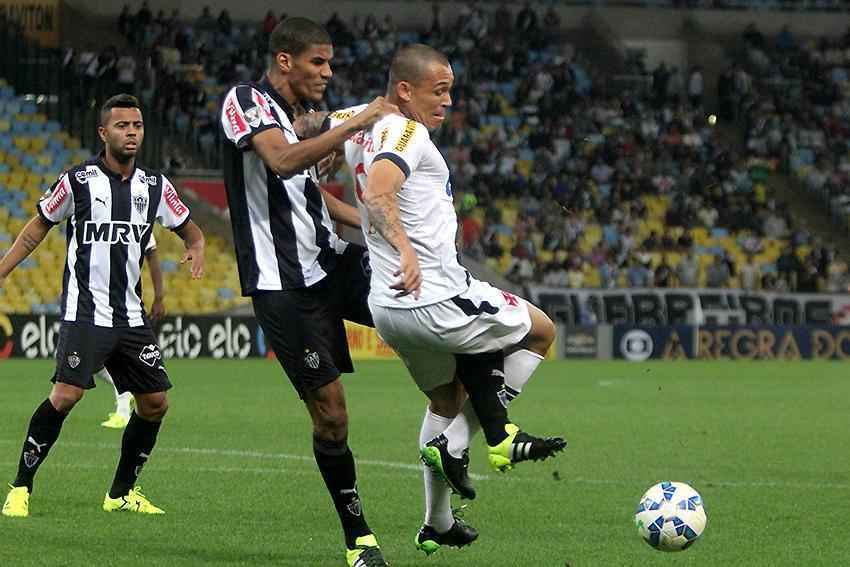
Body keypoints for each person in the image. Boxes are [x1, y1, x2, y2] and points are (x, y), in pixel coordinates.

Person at [317, 44, 566, 556]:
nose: (449, 101)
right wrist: (406, 250)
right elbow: (380, 190)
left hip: (389, 311)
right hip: (436, 296)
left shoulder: (358, 120)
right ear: (405, 91)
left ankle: (437, 521)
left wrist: (314, 171)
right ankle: (471, 441)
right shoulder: (407, 132)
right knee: (541, 331)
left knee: (445, 400)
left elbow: (308, 124)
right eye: (440, 90)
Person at [218, 18, 396, 567]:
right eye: (319, 61)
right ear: (285, 60)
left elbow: (309, 192)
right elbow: (281, 160)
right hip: (283, 287)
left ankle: (461, 445)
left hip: (333, 262)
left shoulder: (303, 120)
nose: (329, 71)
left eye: (331, 61)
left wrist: (377, 223)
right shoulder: (245, 102)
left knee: (419, 308)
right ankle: (358, 539)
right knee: (332, 417)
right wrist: (359, 119)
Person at [1, 93, 205, 519]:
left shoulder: (154, 186)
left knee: (155, 403)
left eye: (137, 126)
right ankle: (20, 486)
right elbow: (37, 227)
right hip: (86, 311)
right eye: (122, 126)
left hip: (131, 317)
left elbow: (191, 229)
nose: (131, 133)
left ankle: (121, 493)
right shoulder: (76, 181)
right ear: (103, 132)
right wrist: (3, 270)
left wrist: (197, 246)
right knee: (66, 395)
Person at [99, 234, 166, 429]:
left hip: (124, 308)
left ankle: (123, 404)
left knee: (102, 361)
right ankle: (124, 395)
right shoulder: (94, 211)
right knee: (95, 363)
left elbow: (152, 254)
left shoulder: (139, 212)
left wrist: (160, 297)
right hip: (94, 304)